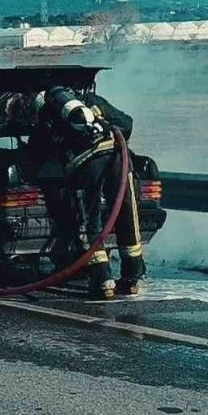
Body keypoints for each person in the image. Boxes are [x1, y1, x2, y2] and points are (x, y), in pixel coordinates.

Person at [24, 86, 144, 300]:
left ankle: (103, 281)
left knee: (90, 224)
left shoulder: (47, 120)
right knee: (127, 217)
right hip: (118, 159)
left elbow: (36, 155)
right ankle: (132, 279)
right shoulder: (92, 100)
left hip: (86, 166)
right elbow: (127, 123)